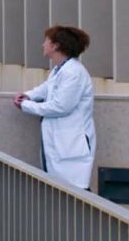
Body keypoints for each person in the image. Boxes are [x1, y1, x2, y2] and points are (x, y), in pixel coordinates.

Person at [15, 25, 97, 191]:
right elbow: (47, 87)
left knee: (75, 196)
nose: (42, 45)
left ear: (56, 46)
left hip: (71, 147)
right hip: (59, 144)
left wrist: (26, 105)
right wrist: (28, 95)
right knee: (59, 192)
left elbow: (61, 107)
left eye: (46, 41)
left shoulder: (74, 72)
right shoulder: (60, 70)